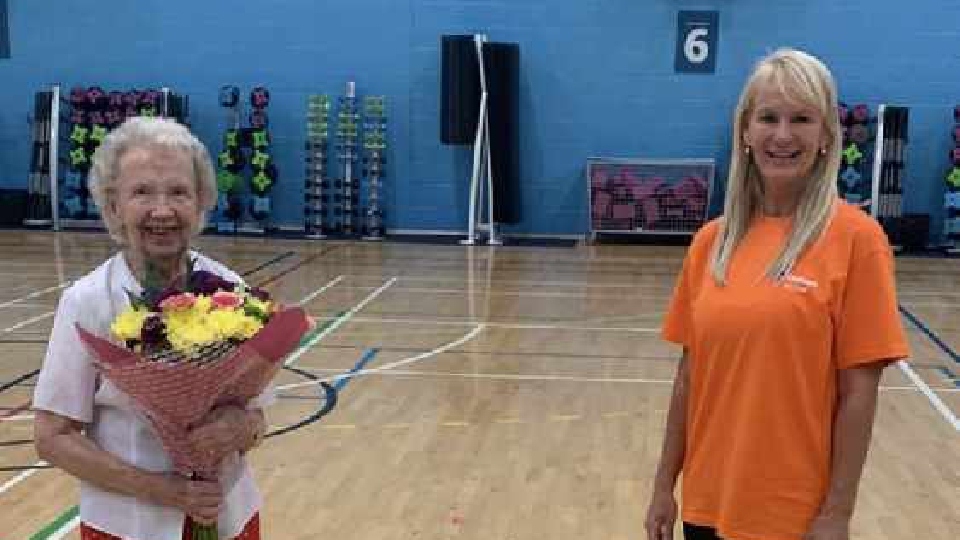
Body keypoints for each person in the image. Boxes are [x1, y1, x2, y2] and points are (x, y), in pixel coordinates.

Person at [645, 48, 910, 540]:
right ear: (745, 130)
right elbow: (688, 380)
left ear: (827, 134)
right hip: (706, 505)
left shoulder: (857, 240)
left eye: (802, 119)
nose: (783, 135)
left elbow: (859, 394)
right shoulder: (712, 243)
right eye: (768, 117)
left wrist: (837, 513)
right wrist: (665, 485)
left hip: (792, 517)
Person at [33, 117, 270, 540]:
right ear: (113, 206)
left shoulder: (234, 292)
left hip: (230, 515)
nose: (162, 210)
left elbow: (256, 415)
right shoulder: (87, 302)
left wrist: (242, 426)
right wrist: (164, 491)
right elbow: (53, 438)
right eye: (141, 192)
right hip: (128, 526)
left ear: (201, 203)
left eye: (179, 192)